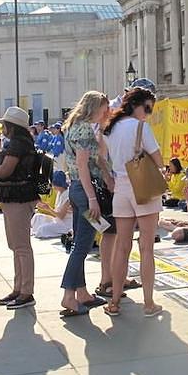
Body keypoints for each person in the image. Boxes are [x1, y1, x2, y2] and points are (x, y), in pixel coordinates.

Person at [103, 87, 165, 318]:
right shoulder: (140, 127)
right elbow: (158, 159)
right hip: (143, 186)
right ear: (138, 105)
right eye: (148, 108)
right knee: (146, 247)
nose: (148, 114)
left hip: (120, 187)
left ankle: (115, 300)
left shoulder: (111, 128)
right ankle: (148, 302)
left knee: (122, 246)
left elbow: (104, 157)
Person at [59, 91, 115, 317]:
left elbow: (95, 158)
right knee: (82, 245)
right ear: (95, 107)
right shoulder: (83, 129)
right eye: (104, 108)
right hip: (86, 192)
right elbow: (83, 165)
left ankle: (81, 292)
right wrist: (92, 198)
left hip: (78, 190)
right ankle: (69, 295)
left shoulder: (76, 126)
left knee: (82, 241)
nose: (107, 112)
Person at [0, 107, 40, 310]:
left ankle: (26, 291)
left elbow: (6, 170)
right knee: (16, 246)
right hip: (16, 197)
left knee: (21, 246)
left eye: (5, 124)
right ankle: (19, 288)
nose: (2, 127)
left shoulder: (18, 144)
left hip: (18, 197)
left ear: (11, 126)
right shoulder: (20, 142)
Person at [32, 171, 72, 239]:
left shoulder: (67, 196)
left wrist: (48, 209)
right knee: (37, 217)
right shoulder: (59, 193)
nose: (52, 186)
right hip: (57, 220)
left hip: (65, 224)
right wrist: (44, 207)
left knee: (42, 229)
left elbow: (61, 216)